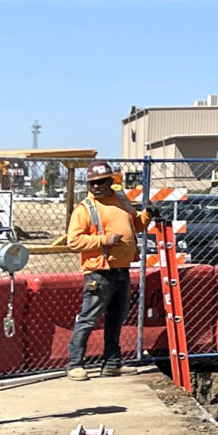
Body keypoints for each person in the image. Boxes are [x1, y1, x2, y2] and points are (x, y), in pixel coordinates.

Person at [64, 161, 154, 378]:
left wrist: (147, 215)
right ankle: (75, 364)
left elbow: (136, 227)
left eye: (101, 182)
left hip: (121, 270)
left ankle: (112, 362)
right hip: (99, 272)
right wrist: (105, 240)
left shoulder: (121, 201)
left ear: (111, 181)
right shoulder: (85, 208)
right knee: (88, 318)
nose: (96, 186)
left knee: (116, 318)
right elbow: (73, 241)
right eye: (92, 183)